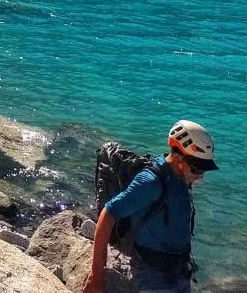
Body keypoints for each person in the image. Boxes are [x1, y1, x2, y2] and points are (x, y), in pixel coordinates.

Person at [83, 120, 218, 293]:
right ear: (177, 158)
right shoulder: (151, 182)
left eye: (203, 170)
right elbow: (108, 214)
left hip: (180, 272)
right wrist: (97, 275)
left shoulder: (181, 177)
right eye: (197, 170)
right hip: (152, 277)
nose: (201, 176)